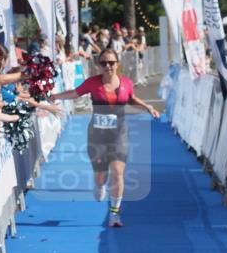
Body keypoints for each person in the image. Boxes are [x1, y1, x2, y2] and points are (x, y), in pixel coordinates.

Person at [50, 48, 159, 228]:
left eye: (111, 63)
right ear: (99, 65)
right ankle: (98, 184)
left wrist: (148, 106)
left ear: (117, 64)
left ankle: (114, 215)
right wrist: (56, 96)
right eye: (104, 63)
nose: (108, 66)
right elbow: (75, 93)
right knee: (101, 175)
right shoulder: (93, 83)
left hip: (119, 133)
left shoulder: (126, 82)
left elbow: (130, 98)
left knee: (118, 172)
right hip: (97, 134)